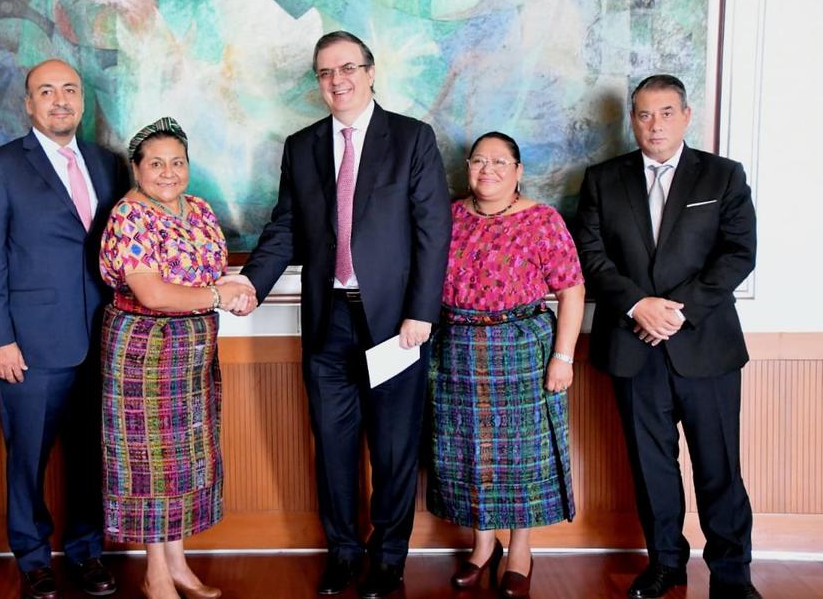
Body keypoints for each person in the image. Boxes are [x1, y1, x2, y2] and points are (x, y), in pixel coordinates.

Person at [224, 30, 452, 598]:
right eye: (326, 72)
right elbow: (285, 228)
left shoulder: (411, 138)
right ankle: (344, 553)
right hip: (328, 321)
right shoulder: (301, 146)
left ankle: (388, 558)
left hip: (396, 324)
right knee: (332, 445)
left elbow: (433, 231)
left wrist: (421, 313)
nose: (337, 80)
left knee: (394, 448)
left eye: (348, 68)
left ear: (370, 73)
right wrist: (251, 284)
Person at [574, 75, 759, 599]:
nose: (655, 125)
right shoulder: (603, 179)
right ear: (632, 119)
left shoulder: (722, 175)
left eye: (666, 113)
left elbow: (738, 253)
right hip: (632, 345)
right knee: (651, 466)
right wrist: (638, 305)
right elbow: (590, 254)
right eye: (644, 114)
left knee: (719, 467)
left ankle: (732, 575)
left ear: (686, 115)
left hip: (705, 345)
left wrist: (677, 312)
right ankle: (666, 564)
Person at [0, 59, 126, 599]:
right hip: (30, 346)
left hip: (102, 340)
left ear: (81, 100)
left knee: (91, 454)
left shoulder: (108, 164)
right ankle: (33, 559)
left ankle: (86, 551)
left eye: (70, 90)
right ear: (28, 104)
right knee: (28, 459)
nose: (60, 100)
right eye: (47, 91)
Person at [97, 118, 252, 599]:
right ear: (137, 168)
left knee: (185, 459)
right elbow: (154, 293)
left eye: (177, 162)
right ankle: (155, 575)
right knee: (151, 463)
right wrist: (219, 296)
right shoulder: (129, 214)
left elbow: (210, 274)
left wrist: (236, 290)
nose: (168, 172)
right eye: (156, 163)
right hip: (144, 350)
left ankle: (178, 565)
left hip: (193, 351)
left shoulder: (199, 208)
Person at [427, 132, 584, 598]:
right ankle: (482, 546)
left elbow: (572, 291)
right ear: (467, 169)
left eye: (499, 162)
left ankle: (519, 550)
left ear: (518, 171)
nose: (488, 170)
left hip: (522, 350)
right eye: (479, 161)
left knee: (522, 456)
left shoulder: (542, 220)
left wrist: (563, 357)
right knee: (467, 453)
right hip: (456, 349)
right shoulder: (448, 216)